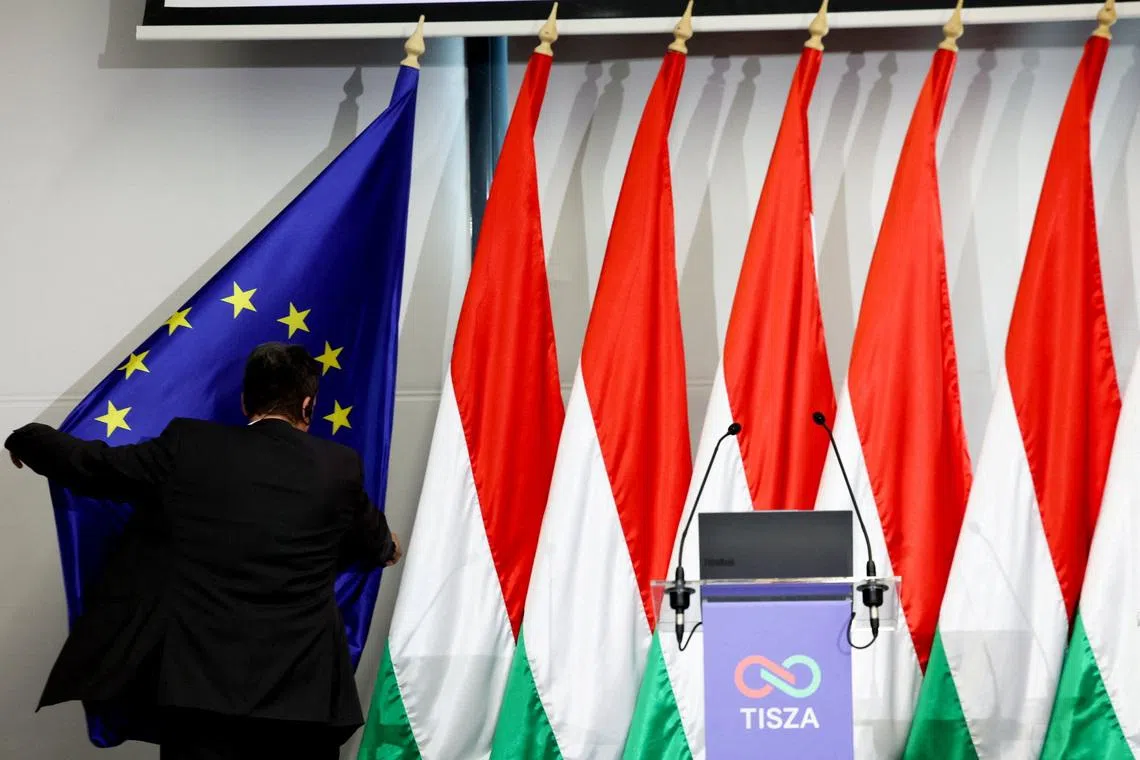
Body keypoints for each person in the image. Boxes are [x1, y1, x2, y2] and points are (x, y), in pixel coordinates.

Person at [5, 342, 402, 759]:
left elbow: (94, 466)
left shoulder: (189, 446)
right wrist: (388, 545)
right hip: (304, 699)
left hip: (199, 695)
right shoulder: (339, 466)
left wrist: (30, 438)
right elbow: (379, 544)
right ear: (308, 406)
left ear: (246, 401)